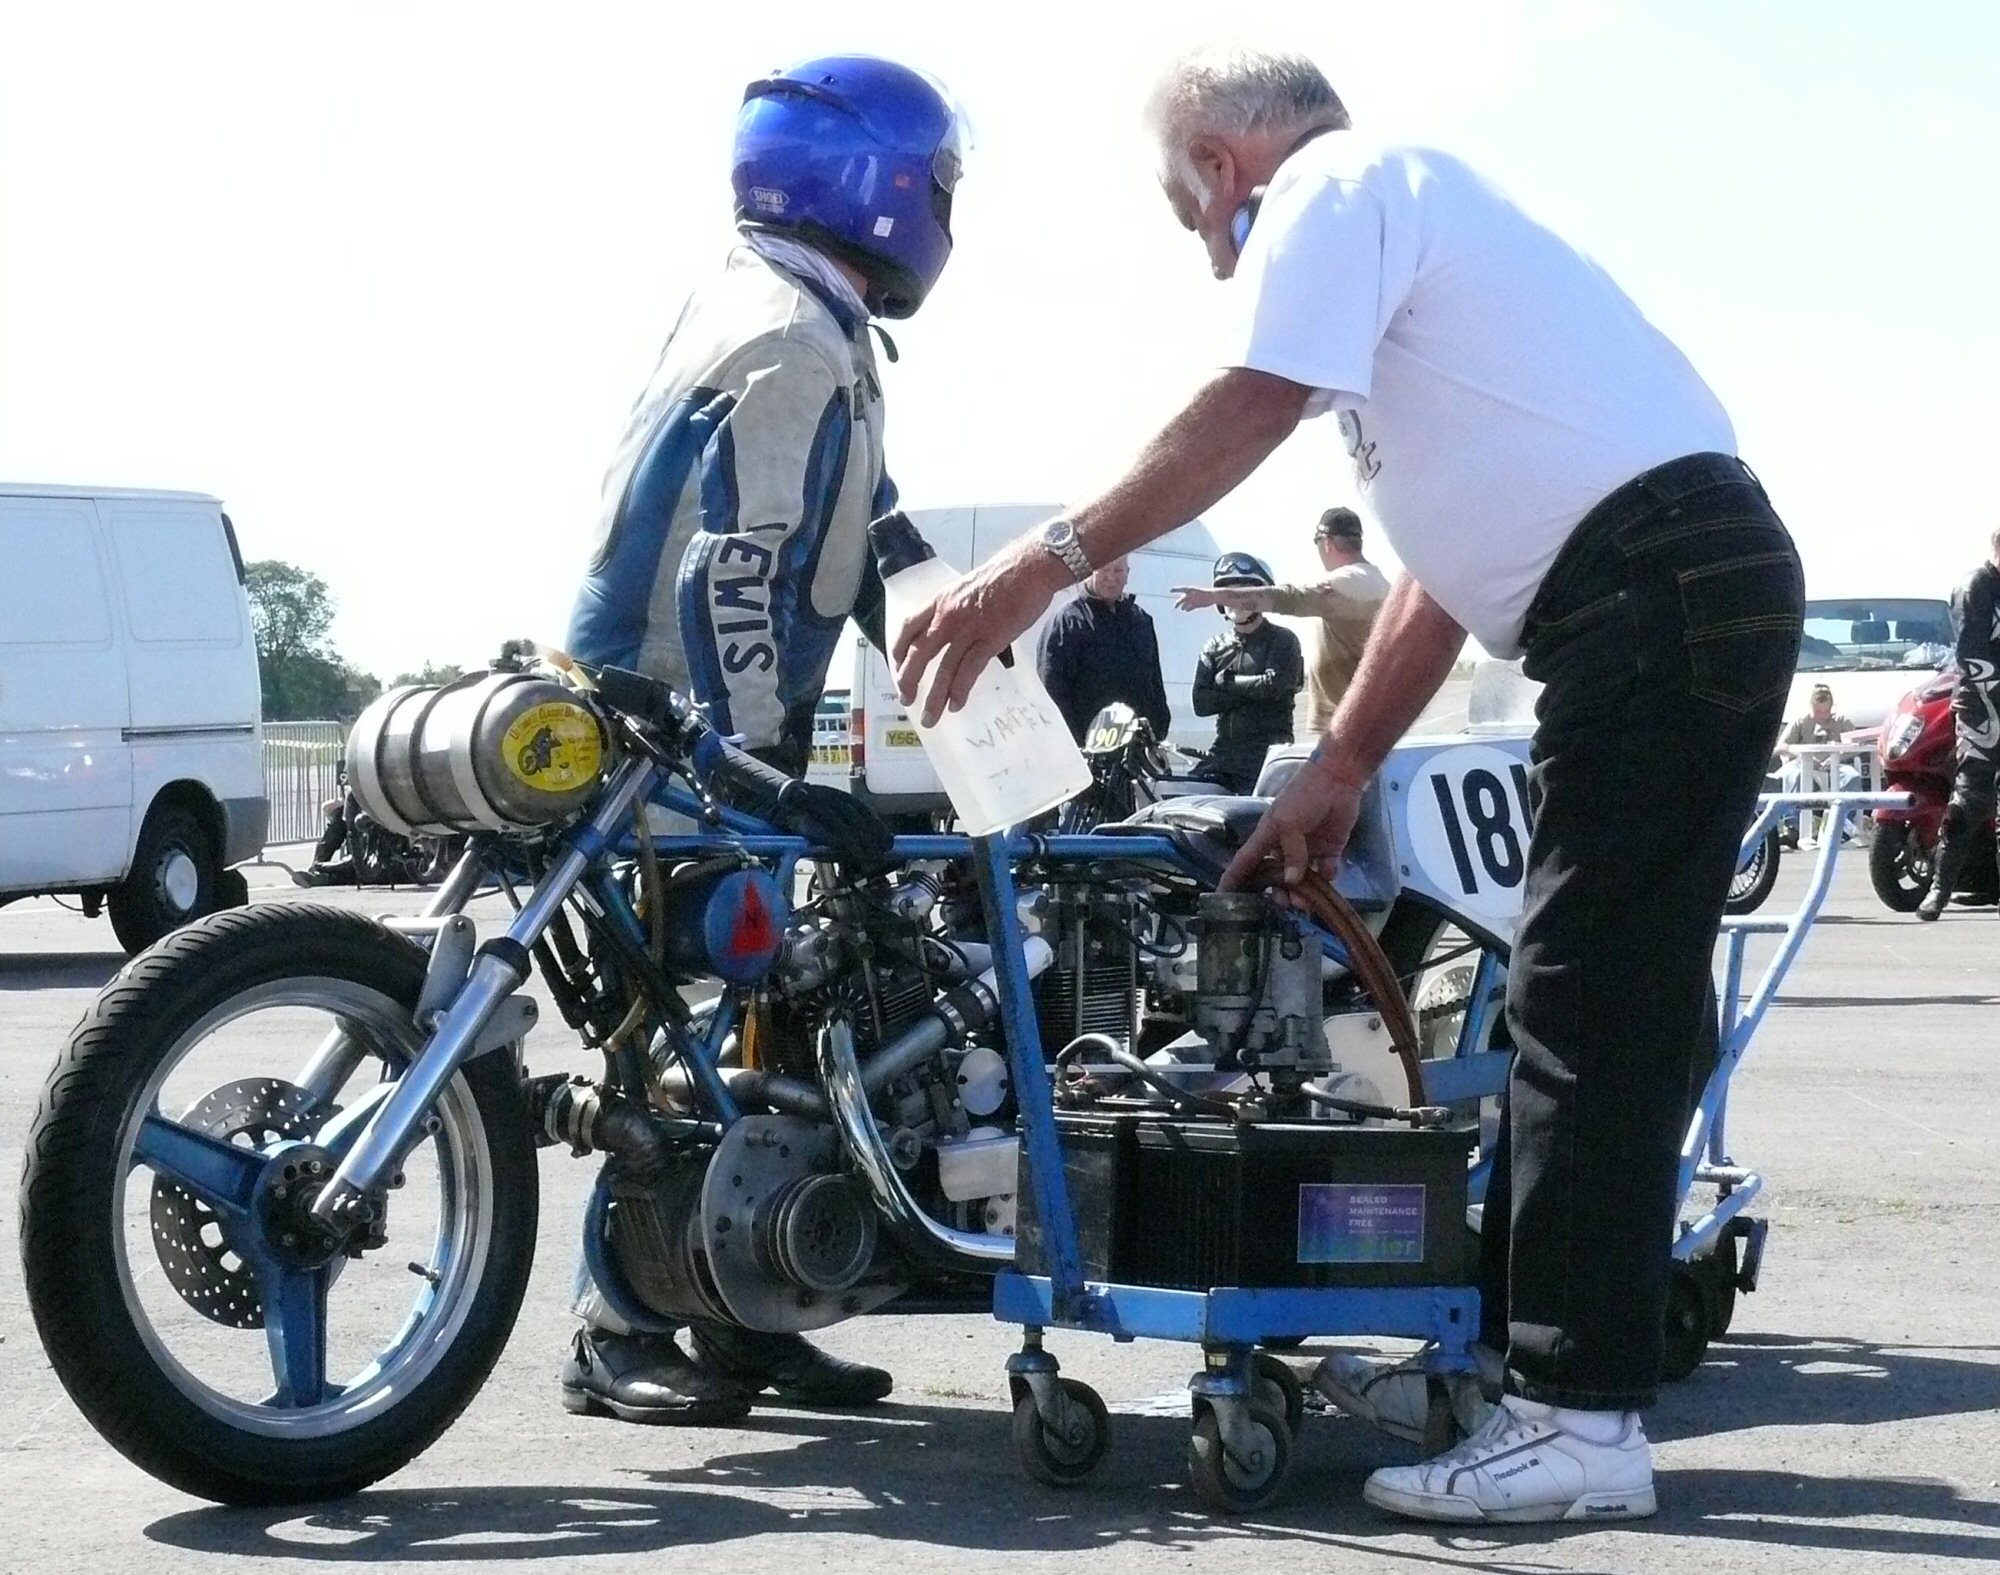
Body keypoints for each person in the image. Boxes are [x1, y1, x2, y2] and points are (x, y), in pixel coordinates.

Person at [889, 48, 1803, 1525]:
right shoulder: (1423, 269)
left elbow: (1250, 396)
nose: (1205, 245)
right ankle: (1529, 1375)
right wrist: (1342, 760)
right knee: (1578, 987)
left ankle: (1576, 1417)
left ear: (1220, 163)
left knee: (1590, 994)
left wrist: (1025, 571)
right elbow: (1442, 568)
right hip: (1663, 580)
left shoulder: (1334, 182)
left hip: (1659, 583)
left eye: (1192, 213)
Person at [560, 54, 968, 1425]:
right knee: (664, 1032)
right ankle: (611, 1322)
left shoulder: (782, 307)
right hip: (683, 738)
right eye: (942, 188)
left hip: (686, 729)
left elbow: (827, 498)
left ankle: (748, 1312)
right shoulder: (794, 333)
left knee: (759, 1015)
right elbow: (736, 567)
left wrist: (914, 572)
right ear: (887, 186)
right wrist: (756, 772)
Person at [1175, 506, 1388, 729]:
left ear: (1326, 543)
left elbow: (1287, 598)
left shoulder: (1346, 582)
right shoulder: (1378, 582)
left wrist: (1215, 596)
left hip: (1347, 724)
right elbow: (1202, 702)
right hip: (1364, 717)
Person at [1916, 527, 2000, 920]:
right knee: (1968, 800)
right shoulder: (1975, 588)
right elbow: (1970, 657)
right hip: (1982, 709)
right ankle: (1938, 889)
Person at [1189, 552, 1303, 791]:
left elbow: (1273, 686)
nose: (1234, 602)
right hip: (1223, 758)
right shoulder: (1214, 645)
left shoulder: (1283, 640)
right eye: (1228, 594)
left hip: (1268, 759)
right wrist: (1250, 689)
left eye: (1243, 594)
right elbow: (1201, 703)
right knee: (1179, 796)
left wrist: (1226, 681)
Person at [1036, 555, 1172, 742]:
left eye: (1118, 570)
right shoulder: (1067, 622)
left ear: (1127, 574)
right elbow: (1052, 690)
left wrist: (1159, 727)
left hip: (1138, 748)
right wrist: (1076, 745)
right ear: (1088, 572)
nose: (1111, 577)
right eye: (1104, 570)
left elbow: (1155, 679)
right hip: (1090, 751)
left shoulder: (1141, 619)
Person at [1776, 683, 1860, 847]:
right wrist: (1800, 756)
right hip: (1805, 764)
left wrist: (1839, 756)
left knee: (1852, 776)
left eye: (1826, 711)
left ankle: (1844, 825)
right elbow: (1781, 746)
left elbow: (1856, 744)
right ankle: (1793, 826)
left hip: (1834, 765)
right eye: (1818, 712)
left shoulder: (1841, 721)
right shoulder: (1801, 722)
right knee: (1796, 776)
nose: (1822, 716)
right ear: (1811, 706)